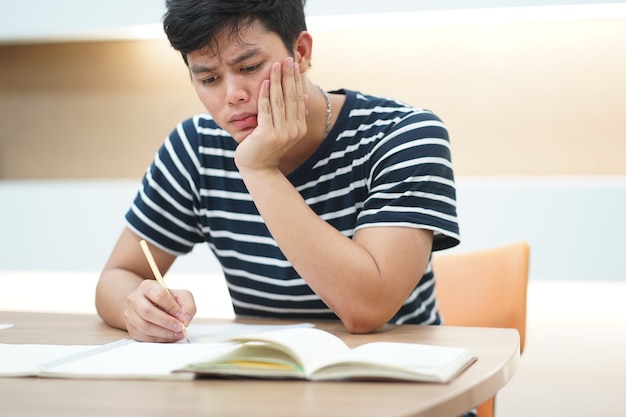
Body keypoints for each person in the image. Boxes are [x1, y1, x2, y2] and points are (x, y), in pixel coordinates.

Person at [95, 0, 460, 344]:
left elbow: (366, 310)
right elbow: (116, 278)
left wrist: (260, 169)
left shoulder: (403, 136)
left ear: (300, 52)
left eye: (249, 67)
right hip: (267, 385)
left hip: (402, 389)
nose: (233, 94)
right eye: (209, 79)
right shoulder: (196, 147)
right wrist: (138, 306)